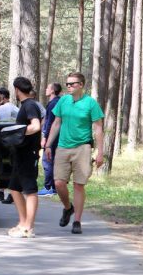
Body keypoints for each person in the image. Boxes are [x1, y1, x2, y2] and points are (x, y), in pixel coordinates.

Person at [44, 72, 104, 235]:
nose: (68, 86)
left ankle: (77, 221)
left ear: (81, 85)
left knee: (79, 185)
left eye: (72, 84)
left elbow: (98, 128)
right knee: (58, 183)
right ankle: (68, 208)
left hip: (83, 148)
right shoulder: (63, 101)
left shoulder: (90, 103)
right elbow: (56, 123)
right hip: (63, 147)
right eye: (67, 84)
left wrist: (100, 153)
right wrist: (48, 145)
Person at [7, 77, 44, 238]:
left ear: (16, 90)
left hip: (29, 153)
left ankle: (29, 228)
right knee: (14, 188)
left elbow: (36, 126)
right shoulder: (27, 105)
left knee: (30, 190)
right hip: (20, 154)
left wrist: (19, 132)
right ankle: (22, 223)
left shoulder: (29, 105)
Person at [38, 83, 63, 196]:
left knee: (47, 161)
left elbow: (50, 123)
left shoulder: (53, 103)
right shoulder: (59, 102)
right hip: (59, 137)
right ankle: (53, 187)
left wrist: (44, 137)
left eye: (47, 88)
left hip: (52, 138)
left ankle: (48, 187)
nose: (45, 89)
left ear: (53, 90)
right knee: (53, 161)